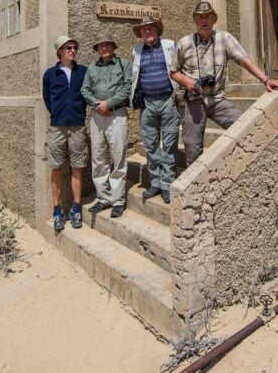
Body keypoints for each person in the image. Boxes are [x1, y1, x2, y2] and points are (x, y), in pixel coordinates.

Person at [170, 1, 278, 165]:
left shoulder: (224, 38)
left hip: (217, 100)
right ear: (195, 20)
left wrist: (266, 79)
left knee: (245, 127)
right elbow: (173, 72)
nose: (204, 20)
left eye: (207, 16)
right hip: (194, 101)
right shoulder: (184, 43)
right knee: (192, 149)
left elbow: (244, 60)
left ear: (213, 19)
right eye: (200, 17)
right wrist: (187, 81)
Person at [80, 35, 133, 218]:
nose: (105, 48)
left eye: (108, 45)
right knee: (99, 157)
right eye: (101, 46)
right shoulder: (92, 68)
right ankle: (103, 198)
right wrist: (97, 105)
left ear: (113, 46)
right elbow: (85, 89)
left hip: (116, 114)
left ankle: (118, 200)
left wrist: (108, 103)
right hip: (97, 116)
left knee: (118, 156)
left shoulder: (123, 64)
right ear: (97, 49)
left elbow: (127, 88)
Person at [130, 15, 180, 204]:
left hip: (168, 100)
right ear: (141, 33)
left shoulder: (170, 46)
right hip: (148, 104)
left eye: (151, 28)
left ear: (157, 30)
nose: (148, 31)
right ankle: (156, 183)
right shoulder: (136, 51)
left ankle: (167, 184)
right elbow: (135, 76)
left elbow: (179, 69)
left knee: (169, 144)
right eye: (144, 29)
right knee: (150, 145)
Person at [41, 34, 88, 231]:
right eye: (68, 48)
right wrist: (59, 113)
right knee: (56, 167)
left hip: (77, 125)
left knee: (78, 166)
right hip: (57, 127)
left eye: (74, 48)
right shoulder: (50, 74)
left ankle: (76, 209)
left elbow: (87, 94)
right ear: (60, 51)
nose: (72, 51)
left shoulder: (83, 71)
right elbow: (47, 98)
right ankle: (57, 210)